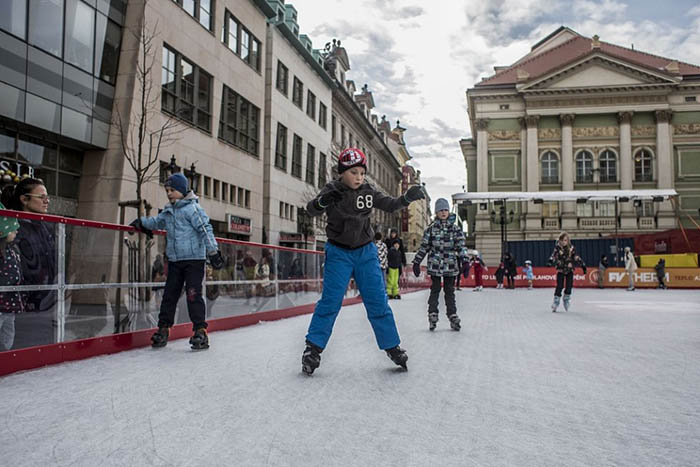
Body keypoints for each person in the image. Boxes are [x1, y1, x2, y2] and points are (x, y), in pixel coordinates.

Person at [301, 147, 425, 375]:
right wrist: (323, 202)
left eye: (361, 173)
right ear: (342, 173)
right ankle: (313, 348)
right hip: (338, 253)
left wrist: (407, 197)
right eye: (353, 173)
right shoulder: (332, 190)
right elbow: (310, 210)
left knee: (378, 301)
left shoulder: (368, 190)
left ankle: (392, 346)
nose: (358, 178)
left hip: (365, 252)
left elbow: (390, 204)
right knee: (330, 301)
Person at [131, 172, 224, 350]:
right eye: (167, 190)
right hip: (175, 261)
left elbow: (205, 229)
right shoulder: (168, 211)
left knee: (193, 295)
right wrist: (141, 222)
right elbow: (156, 222)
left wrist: (213, 252)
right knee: (169, 295)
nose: (169, 193)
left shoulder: (193, 209)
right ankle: (163, 329)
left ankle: (200, 331)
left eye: (172, 190)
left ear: (182, 190)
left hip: (194, 261)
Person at [1, 178, 56, 348]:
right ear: (24, 199)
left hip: (41, 300)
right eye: (42, 197)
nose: (47, 201)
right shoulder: (12, 228)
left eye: (48, 197)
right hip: (20, 299)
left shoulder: (46, 227)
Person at [412, 198, 466, 332]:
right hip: (435, 265)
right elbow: (424, 247)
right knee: (435, 290)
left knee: (449, 291)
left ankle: (452, 315)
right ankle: (433, 313)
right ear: (436, 212)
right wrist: (417, 261)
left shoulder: (455, 229)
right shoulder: (431, 229)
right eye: (441, 210)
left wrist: (465, 261)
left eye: (445, 210)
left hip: (450, 265)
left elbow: (461, 246)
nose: (443, 212)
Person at [0, 205, 23, 351]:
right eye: (12, 229)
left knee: (9, 328)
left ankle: (6, 352)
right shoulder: (3, 251)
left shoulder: (12, 249)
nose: (16, 231)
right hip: (2, 298)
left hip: (10, 299)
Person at [547, 231, 586, 312]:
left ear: (568, 241)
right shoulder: (557, 248)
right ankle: (556, 302)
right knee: (559, 286)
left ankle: (566, 300)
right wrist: (550, 261)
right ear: (560, 240)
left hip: (569, 269)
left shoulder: (571, 248)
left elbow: (576, 257)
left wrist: (582, 265)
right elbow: (554, 255)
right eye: (562, 240)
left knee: (569, 286)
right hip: (561, 269)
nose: (564, 242)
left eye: (565, 240)